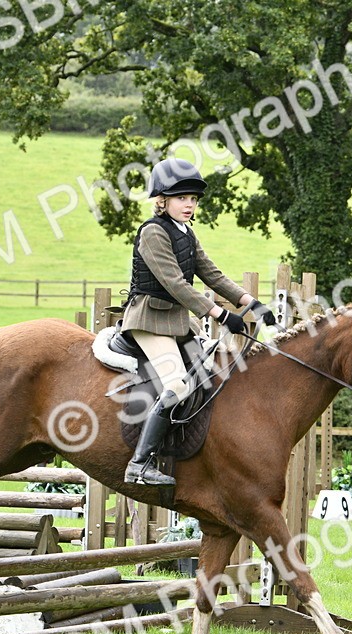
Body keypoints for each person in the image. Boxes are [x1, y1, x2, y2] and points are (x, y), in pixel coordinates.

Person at [120, 158, 277, 486]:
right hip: (148, 321)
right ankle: (139, 464)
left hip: (177, 323)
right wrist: (220, 315)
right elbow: (176, 283)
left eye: (193, 199)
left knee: (211, 376)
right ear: (162, 200)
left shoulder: (186, 233)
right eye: (181, 198)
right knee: (177, 384)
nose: (189, 204)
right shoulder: (152, 233)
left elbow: (212, 274)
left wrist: (251, 303)